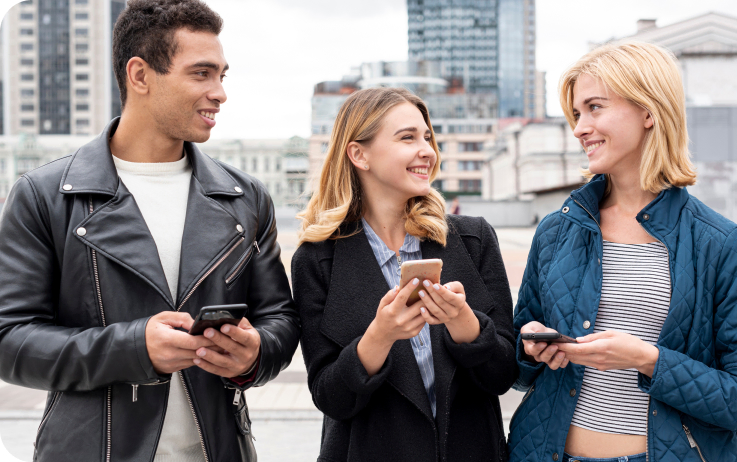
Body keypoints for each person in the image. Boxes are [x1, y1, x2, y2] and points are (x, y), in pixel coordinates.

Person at [0, 1, 300, 461]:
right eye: (201, 73)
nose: (219, 92)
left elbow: (280, 319)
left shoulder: (246, 196)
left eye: (222, 75)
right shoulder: (44, 195)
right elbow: (10, 340)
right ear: (139, 75)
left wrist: (255, 354)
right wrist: (134, 346)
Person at [507, 41, 737, 462]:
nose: (579, 128)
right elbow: (517, 371)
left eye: (594, 107)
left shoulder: (718, 242)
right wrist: (531, 346)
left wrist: (649, 361)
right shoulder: (557, 230)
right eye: (576, 113)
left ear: (648, 111)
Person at [292, 87, 517, 462]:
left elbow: (503, 375)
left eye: (427, 137)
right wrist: (379, 337)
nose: (426, 150)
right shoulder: (316, 259)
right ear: (359, 154)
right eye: (407, 137)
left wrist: (464, 323)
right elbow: (330, 397)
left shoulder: (474, 238)